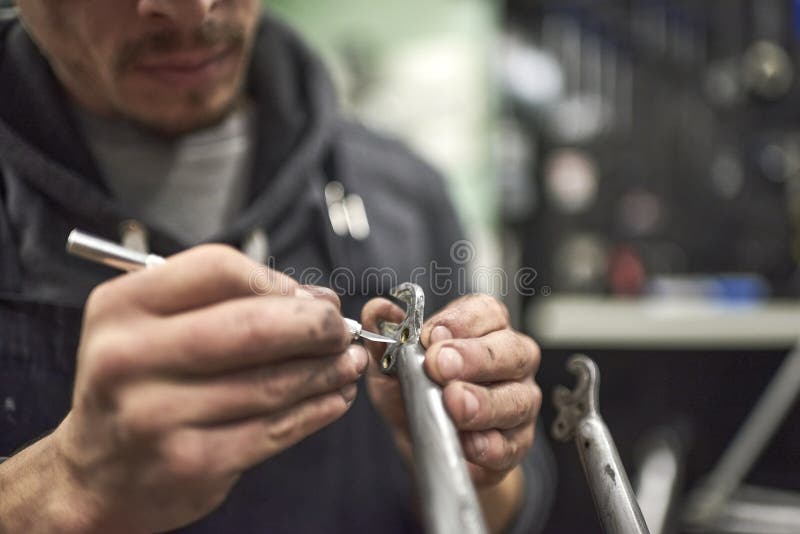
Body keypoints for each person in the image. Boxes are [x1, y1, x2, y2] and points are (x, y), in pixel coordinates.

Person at [0, 1, 555, 532]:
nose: (194, 7)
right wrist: (64, 485)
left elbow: (499, 506)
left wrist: (469, 462)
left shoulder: (404, 194)